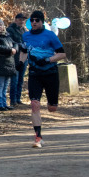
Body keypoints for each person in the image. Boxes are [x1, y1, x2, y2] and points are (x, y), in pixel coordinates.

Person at [22, 10, 67, 148]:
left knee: (52, 108)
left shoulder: (50, 35)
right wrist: (20, 63)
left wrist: (48, 60)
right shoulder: (25, 36)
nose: (34, 22)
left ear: (42, 22)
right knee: (34, 104)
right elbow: (24, 51)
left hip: (50, 73)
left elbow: (62, 54)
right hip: (34, 74)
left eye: (37, 20)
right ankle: (38, 137)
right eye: (32, 20)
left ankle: (52, 103)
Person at [6, 13, 28, 107]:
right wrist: (20, 45)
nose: (22, 21)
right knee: (14, 80)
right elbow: (10, 42)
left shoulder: (24, 30)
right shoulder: (10, 30)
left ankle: (18, 99)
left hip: (24, 57)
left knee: (21, 80)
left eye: (23, 20)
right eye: (20, 19)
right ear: (16, 20)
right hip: (14, 58)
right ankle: (13, 100)